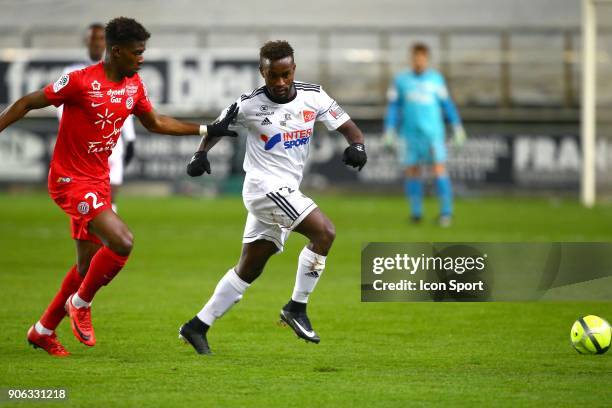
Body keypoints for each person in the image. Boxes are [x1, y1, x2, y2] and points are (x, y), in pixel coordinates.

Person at [0, 17, 238, 357]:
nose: (142, 58)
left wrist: (205, 130)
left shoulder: (133, 85)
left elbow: (155, 122)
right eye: (137, 52)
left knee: (86, 265)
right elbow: (26, 102)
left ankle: (42, 330)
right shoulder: (80, 82)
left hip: (98, 181)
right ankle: (80, 304)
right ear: (116, 51)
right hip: (69, 180)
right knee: (122, 241)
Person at [179, 40, 367, 355]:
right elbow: (217, 127)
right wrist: (200, 155)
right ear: (262, 72)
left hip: (285, 190)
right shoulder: (248, 104)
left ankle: (197, 326)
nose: (280, 83)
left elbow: (350, 128)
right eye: (272, 76)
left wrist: (357, 145)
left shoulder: (314, 96)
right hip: (263, 188)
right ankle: (296, 307)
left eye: (285, 74)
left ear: (293, 69)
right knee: (324, 232)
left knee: (249, 268)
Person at [384, 42, 466, 227]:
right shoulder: (401, 81)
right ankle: (416, 214)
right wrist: (389, 130)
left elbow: (447, 105)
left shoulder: (436, 79)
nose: (418, 61)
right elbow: (394, 108)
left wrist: (457, 126)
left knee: (438, 169)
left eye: (421, 57)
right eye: (415, 57)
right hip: (409, 134)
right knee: (412, 171)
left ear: (426, 59)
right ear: (411, 58)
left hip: (433, 134)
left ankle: (446, 213)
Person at [57, 23, 136, 213]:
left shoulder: (117, 71)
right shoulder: (72, 71)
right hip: (84, 145)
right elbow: (61, 105)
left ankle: (106, 239)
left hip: (113, 143)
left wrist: (131, 138)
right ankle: (98, 237)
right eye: (94, 38)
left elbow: (125, 105)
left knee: (110, 196)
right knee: (88, 198)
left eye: (102, 38)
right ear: (86, 41)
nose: (98, 43)